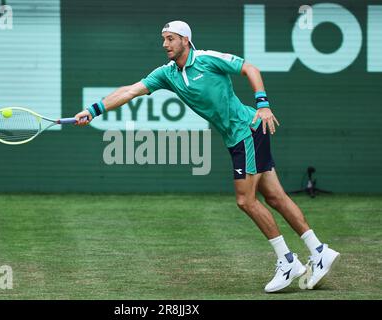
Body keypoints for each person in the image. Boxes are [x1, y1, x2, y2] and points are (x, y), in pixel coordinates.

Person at [74, 20, 340, 293]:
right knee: (274, 197)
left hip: (247, 131)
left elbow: (250, 68)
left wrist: (263, 105)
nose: (165, 44)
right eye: (163, 39)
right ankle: (319, 251)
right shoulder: (167, 74)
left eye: (170, 38)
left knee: (245, 201)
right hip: (240, 136)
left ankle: (288, 261)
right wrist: (92, 110)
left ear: (185, 40)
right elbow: (129, 91)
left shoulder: (208, 59)